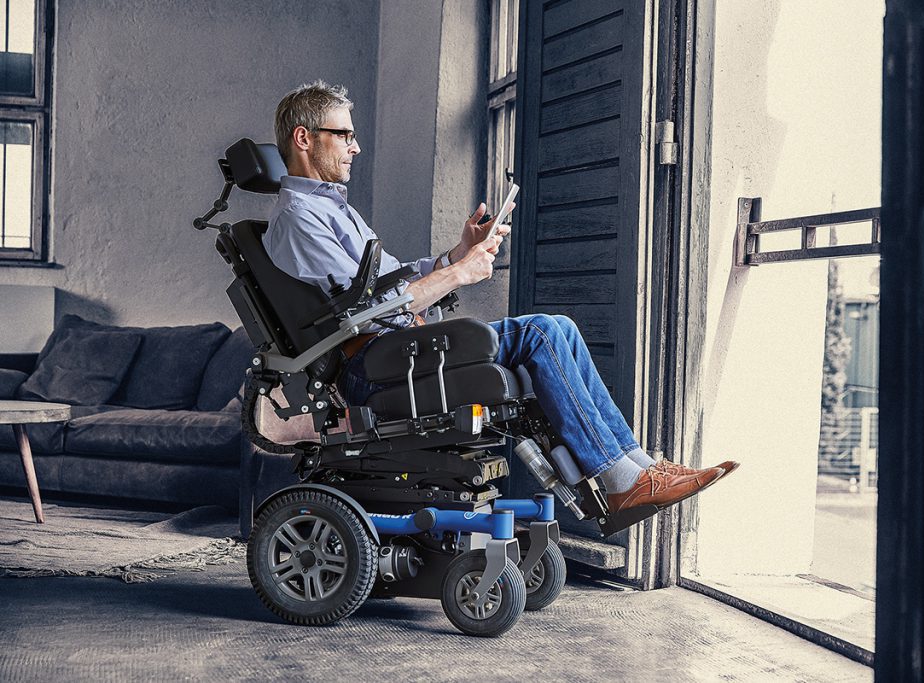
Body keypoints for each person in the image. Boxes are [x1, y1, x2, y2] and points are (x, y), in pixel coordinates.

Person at [263, 80, 737, 515]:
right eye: (344, 135)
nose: (355, 146)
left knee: (561, 329)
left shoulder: (329, 207)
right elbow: (363, 310)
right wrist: (462, 275)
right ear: (305, 139)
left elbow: (385, 282)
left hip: (394, 348)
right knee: (541, 332)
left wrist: (457, 254)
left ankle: (634, 466)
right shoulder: (300, 217)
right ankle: (621, 479)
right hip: (375, 365)